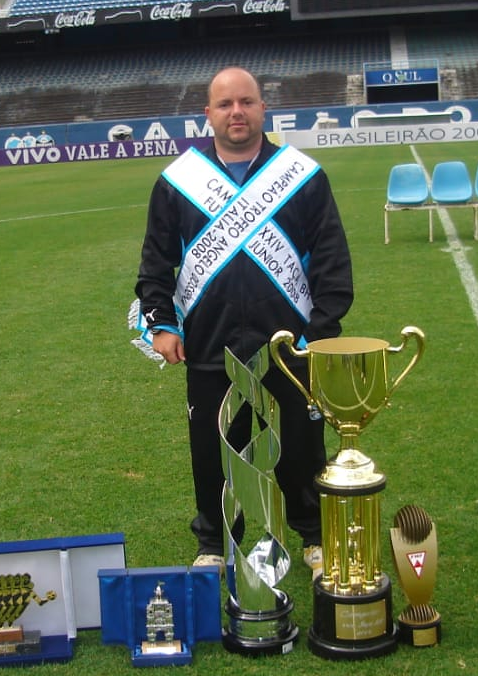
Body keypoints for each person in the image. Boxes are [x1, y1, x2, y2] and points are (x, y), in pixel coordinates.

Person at [133, 67, 354, 578]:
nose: (237, 112)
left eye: (247, 102)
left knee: (302, 447)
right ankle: (215, 539)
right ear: (208, 114)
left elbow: (331, 262)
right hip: (210, 345)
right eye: (226, 104)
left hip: (290, 347)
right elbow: (154, 264)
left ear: (262, 109)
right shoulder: (177, 183)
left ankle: (314, 536)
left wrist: (318, 332)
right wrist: (163, 325)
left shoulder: (302, 176)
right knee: (212, 450)